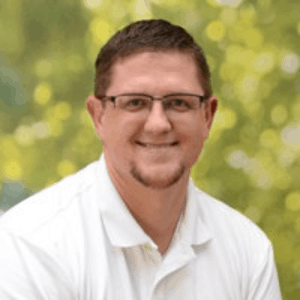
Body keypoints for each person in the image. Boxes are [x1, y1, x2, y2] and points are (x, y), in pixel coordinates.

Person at [0, 19, 282, 299]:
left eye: (178, 102)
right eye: (135, 102)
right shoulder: (30, 244)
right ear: (99, 116)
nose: (158, 124)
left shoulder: (248, 250)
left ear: (207, 116)